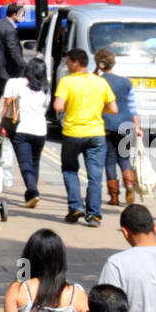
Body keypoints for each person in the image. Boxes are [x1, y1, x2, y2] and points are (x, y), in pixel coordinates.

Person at [53, 47, 118, 226]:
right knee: (95, 176)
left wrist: (71, 106)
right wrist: (98, 109)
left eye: (68, 61)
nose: (66, 63)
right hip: (96, 134)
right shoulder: (100, 82)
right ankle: (94, 215)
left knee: (69, 170)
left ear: (76, 63)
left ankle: (75, 207)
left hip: (73, 134)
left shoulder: (67, 82)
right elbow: (113, 109)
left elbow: (58, 106)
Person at [0, 54, 52, 207]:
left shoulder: (14, 83)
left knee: (25, 164)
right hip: (40, 130)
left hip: (21, 129)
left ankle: (32, 191)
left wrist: (3, 126)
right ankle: (32, 192)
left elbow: (7, 106)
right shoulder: (46, 89)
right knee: (35, 163)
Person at [95, 48, 140, 208]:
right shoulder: (126, 82)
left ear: (99, 64)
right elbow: (132, 106)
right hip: (125, 124)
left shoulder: (98, 81)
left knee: (109, 160)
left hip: (106, 125)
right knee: (124, 158)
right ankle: (129, 184)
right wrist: (137, 126)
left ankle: (114, 196)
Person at [0, 0, 28, 114]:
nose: (23, 17)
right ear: (14, 14)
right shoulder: (10, 30)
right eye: (22, 14)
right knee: (10, 97)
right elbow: (13, 52)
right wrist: (24, 66)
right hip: (4, 69)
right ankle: (8, 124)